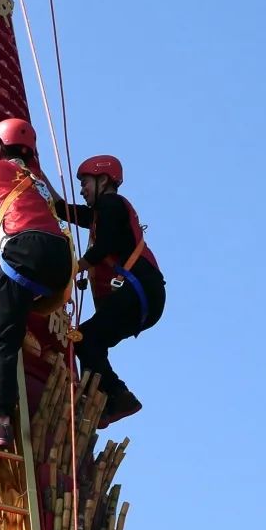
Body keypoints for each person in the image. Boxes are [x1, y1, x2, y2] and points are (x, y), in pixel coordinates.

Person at [0, 117, 74, 449]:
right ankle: (13, 323)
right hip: (60, 261)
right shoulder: (38, 181)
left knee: (2, 340)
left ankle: (1, 420)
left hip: (22, 253)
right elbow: (58, 211)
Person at [52, 154, 166, 427]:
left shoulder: (110, 204)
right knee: (89, 341)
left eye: (85, 183)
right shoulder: (100, 213)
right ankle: (107, 399)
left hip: (139, 290)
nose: (82, 189)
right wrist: (39, 180)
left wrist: (72, 270)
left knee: (83, 339)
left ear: (103, 180)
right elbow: (63, 210)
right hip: (144, 297)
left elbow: (105, 245)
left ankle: (115, 395)